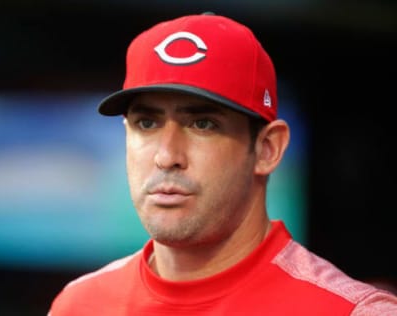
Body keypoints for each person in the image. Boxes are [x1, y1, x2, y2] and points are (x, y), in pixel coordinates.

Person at [48, 12, 397, 315]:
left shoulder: (351, 312)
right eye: (147, 123)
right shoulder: (79, 305)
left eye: (203, 124)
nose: (167, 156)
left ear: (267, 149)